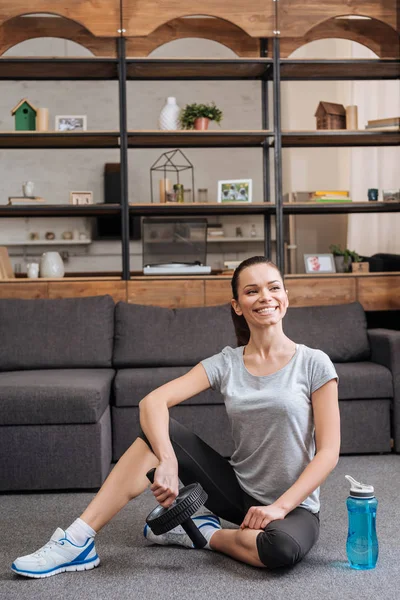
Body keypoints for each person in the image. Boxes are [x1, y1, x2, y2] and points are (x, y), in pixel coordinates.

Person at [11, 256, 340, 577]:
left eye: (274, 288)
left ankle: (201, 533)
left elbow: (327, 452)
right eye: (252, 291)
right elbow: (152, 402)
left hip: (294, 506)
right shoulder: (227, 363)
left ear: (286, 297)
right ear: (237, 305)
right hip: (236, 491)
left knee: (279, 550)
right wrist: (167, 460)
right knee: (152, 438)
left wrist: (279, 507)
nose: (265, 297)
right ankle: (78, 539)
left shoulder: (314, 363)